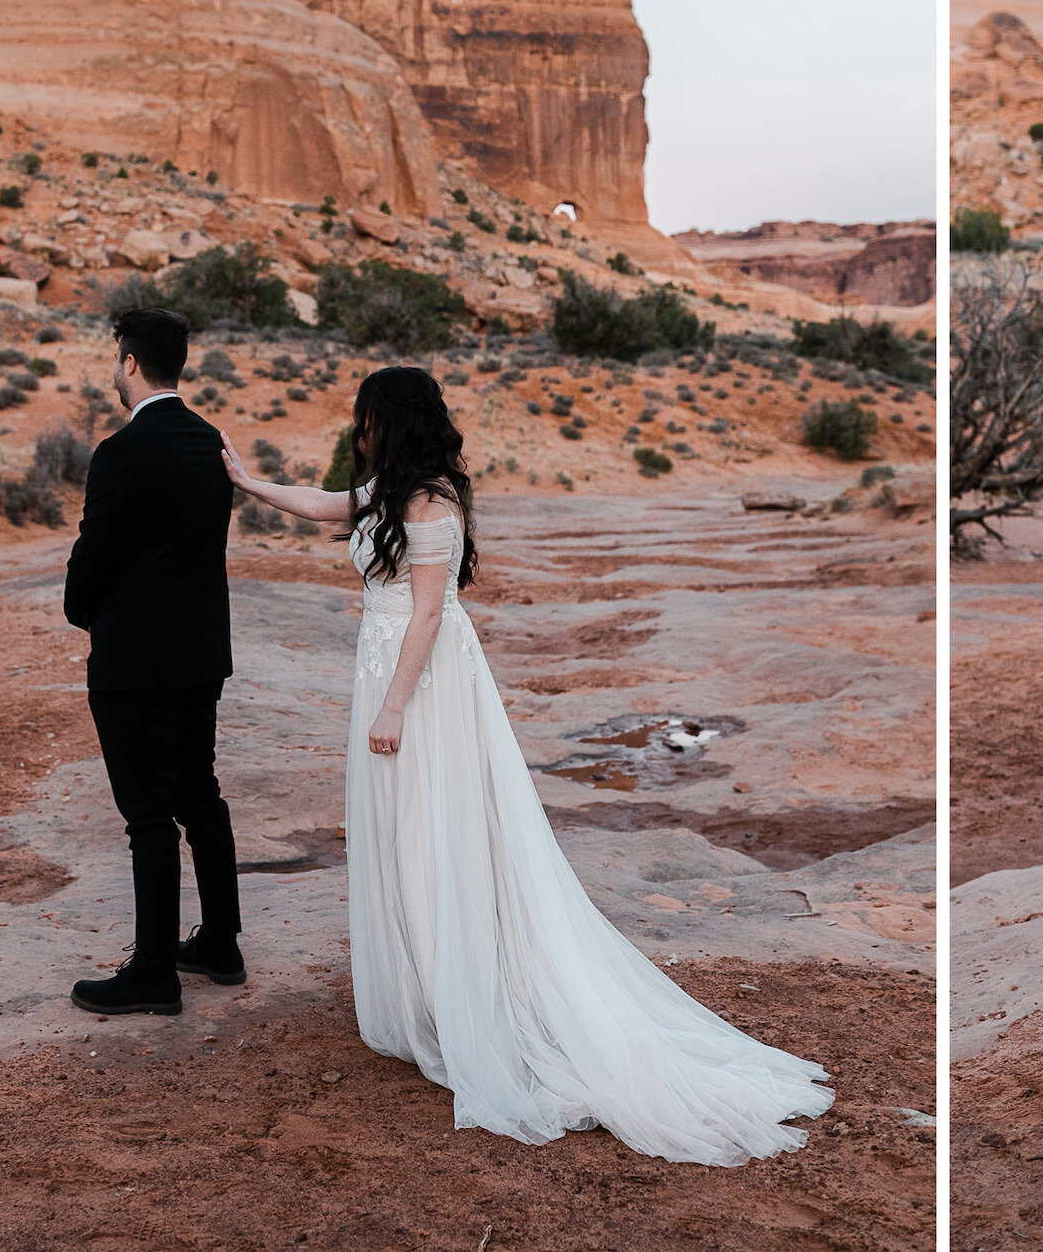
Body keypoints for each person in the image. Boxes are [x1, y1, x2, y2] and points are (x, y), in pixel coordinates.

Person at [221, 365, 832, 1163]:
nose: (357, 428)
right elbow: (323, 502)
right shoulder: (384, 489)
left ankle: (466, 991)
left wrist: (396, 704)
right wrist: (245, 479)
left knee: (436, 827)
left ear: (393, 420)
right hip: (387, 666)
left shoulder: (430, 500)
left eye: (367, 416)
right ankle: (431, 990)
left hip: (425, 684)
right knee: (404, 832)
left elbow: (432, 612)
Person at [61, 306, 245, 1016]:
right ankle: (221, 942)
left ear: (131, 362)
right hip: (201, 654)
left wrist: (81, 609)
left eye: (117, 360)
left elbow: (95, 555)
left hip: (135, 661)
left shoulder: (120, 451)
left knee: (148, 816)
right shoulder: (210, 443)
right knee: (200, 794)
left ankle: (155, 972)